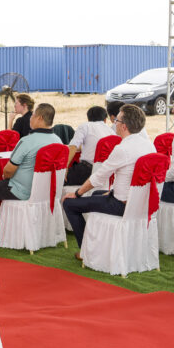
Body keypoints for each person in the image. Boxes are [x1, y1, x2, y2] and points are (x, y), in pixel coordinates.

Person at [63, 104, 155, 257]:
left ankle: (86, 251)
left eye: (116, 121)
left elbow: (99, 176)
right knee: (97, 194)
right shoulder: (149, 145)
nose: (114, 124)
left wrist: (77, 193)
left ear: (124, 126)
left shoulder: (123, 148)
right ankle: (99, 243)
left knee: (69, 203)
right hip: (142, 202)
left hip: (122, 204)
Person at [0, 103, 62, 209]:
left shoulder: (27, 141)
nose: (31, 118)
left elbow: (8, 171)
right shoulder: (58, 141)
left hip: (22, 191)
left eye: (33, 115)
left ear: (40, 118)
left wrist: (5, 177)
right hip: (46, 190)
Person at [66, 106, 113, 185]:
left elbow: (73, 146)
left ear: (88, 119)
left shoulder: (85, 126)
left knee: (56, 179)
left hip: (86, 171)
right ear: (105, 120)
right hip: (106, 173)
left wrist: (65, 167)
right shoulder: (111, 131)